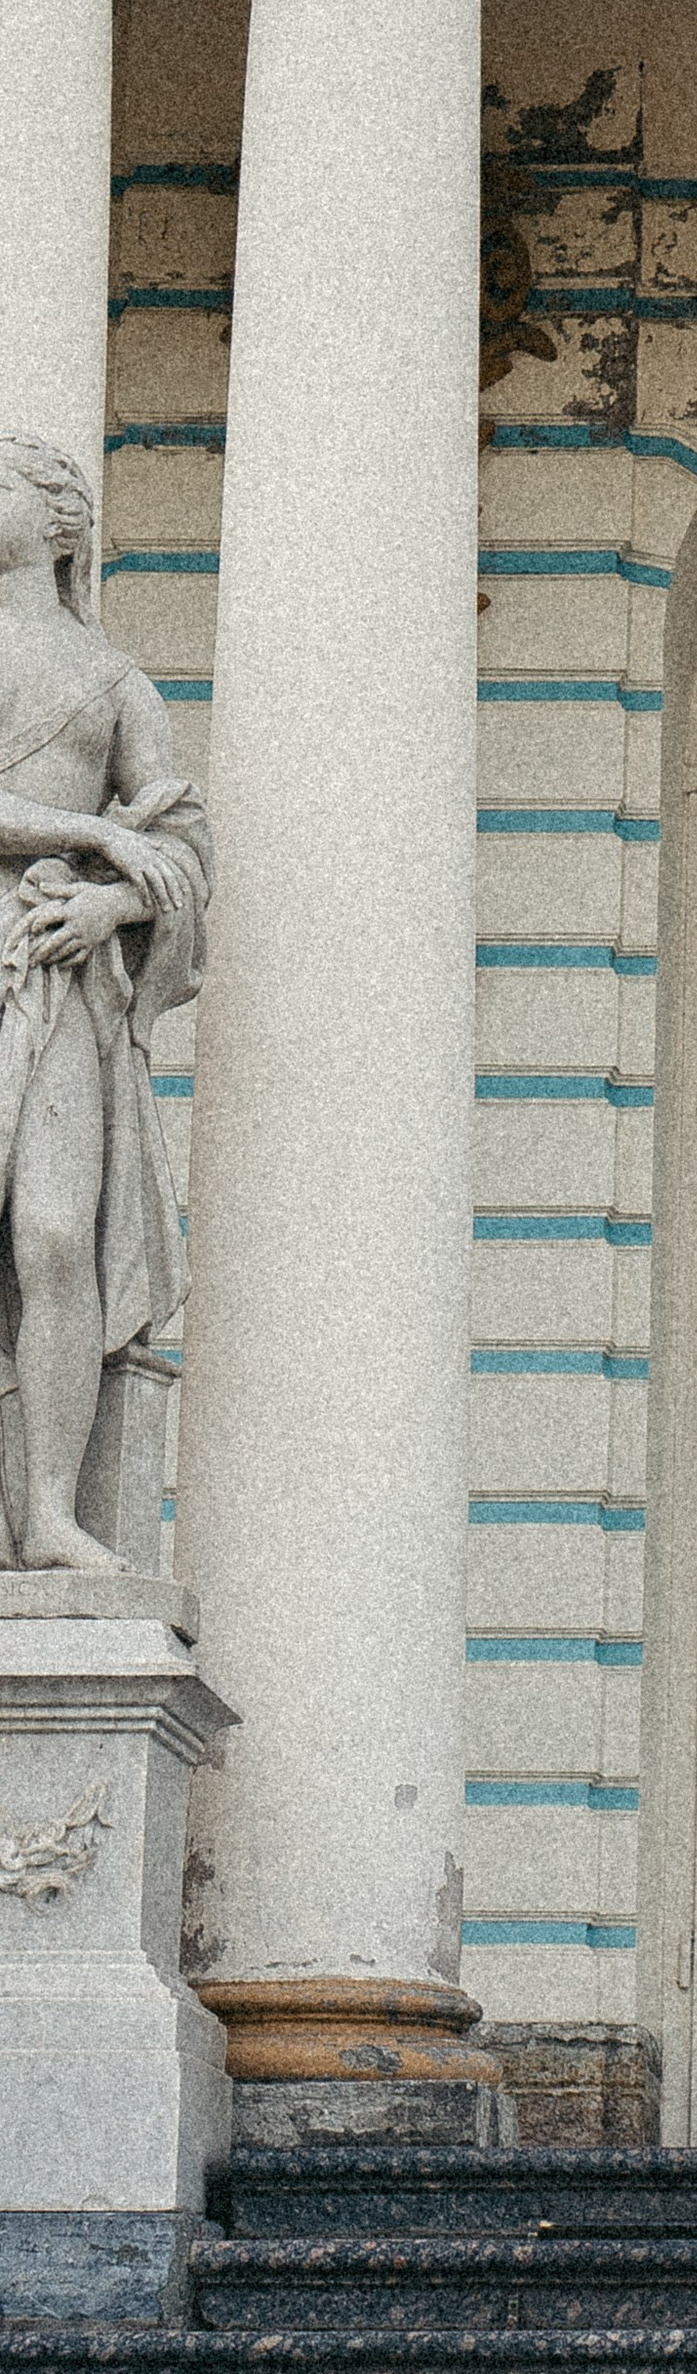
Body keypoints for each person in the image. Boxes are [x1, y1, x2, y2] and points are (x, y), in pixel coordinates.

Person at [0, 439, 206, 1569]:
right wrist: (90, 833)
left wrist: (112, 908)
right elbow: (122, 826)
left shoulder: (114, 678)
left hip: (56, 970)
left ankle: (47, 1511)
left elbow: (183, 844)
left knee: (52, 1236)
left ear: (59, 521)